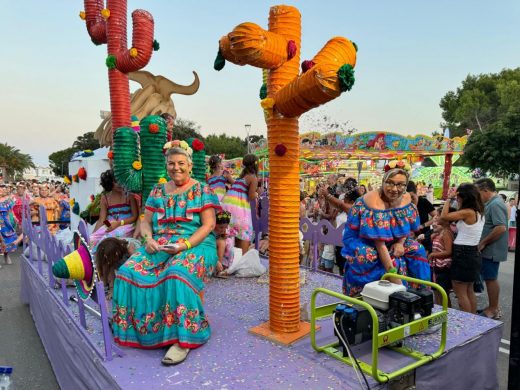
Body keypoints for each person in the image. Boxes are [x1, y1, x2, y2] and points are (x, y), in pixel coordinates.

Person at [112, 142, 220, 366]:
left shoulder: (202, 189)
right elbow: (146, 221)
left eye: (181, 163)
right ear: (166, 165)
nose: (176, 167)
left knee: (177, 273)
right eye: (171, 163)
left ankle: (183, 339)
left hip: (197, 244)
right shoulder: (157, 190)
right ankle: (141, 328)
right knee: (126, 272)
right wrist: (148, 239)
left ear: (190, 165)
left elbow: (208, 226)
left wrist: (185, 245)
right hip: (160, 243)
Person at [341, 161, 430, 296]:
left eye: (400, 185)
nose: (395, 189)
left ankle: (420, 292)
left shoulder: (406, 198)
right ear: (383, 181)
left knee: (418, 249)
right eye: (390, 183)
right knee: (367, 255)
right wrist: (397, 284)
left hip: (394, 238)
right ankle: (365, 295)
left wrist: (400, 243)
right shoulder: (374, 202)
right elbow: (380, 243)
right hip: (366, 239)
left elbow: (404, 227)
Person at [439, 183, 485, 313]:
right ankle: (472, 320)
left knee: (460, 290)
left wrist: (448, 199)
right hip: (473, 252)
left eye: (458, 196)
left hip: (463, 253)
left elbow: (444, 217)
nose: (457, 198)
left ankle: (467, 322)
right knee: (469, 289)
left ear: (464, 197)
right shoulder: (478, 211)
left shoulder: (467, 212)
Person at [475, 178, 508, 319]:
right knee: (489, 278)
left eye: (478, 193)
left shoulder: (495, 204)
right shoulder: (491, 203)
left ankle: (493, 309)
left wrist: (483, 243)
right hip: (489, 249)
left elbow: (501, 228)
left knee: (491, 279)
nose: (477, 197)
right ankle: (493, 307)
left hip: (492, 250)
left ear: (485, 190)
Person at [90, 170, 138, 251]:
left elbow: (135, 216)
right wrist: (95, 233)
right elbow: (102, 219)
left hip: (126, 225)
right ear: (109, 182)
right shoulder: (105, 198)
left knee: (109, 238)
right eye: (116, 181)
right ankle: (93, 262)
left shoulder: (129, 195)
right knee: (92, 239)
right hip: (111, 225)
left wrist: (118, 223)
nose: (119, 184)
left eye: (121, 180)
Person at [221, 154, 258, 255]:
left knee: (232, 233)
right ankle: (241, 261)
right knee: (244, 232)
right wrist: (256, 194)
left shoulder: (242, 176)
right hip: (239, 207)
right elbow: (250, 196)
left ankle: (229, 259)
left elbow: (237, 186)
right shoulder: (253, 177)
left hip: (227, 203)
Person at [428, 207, 455, 307]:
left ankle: (447, 313)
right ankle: (440, 310)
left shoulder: (447, 233)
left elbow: (448, 251)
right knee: (438, 291)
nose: (436, 217)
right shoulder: (441, 232)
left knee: (443, 293)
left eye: (439, 215)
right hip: (438, 266)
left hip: (443, 266)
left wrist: (433, 254)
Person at [0, 184, 19, 265]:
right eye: (1, 189)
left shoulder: (8, 200)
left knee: (6, 238)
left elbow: (10, 211)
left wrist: (14, 217)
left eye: (4, 189)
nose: (3, 190)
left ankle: (6, 255)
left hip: (5, 221)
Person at [214, 210, 234, 277]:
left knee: (228, 242)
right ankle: (218, 269)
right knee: (221, 242)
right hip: (211, 244)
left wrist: (224, 236)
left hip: (218, 245)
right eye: (221, 227)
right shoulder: (210, 230)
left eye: (225, 227)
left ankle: (224, 265)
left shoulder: (225, 231)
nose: (223, 229)